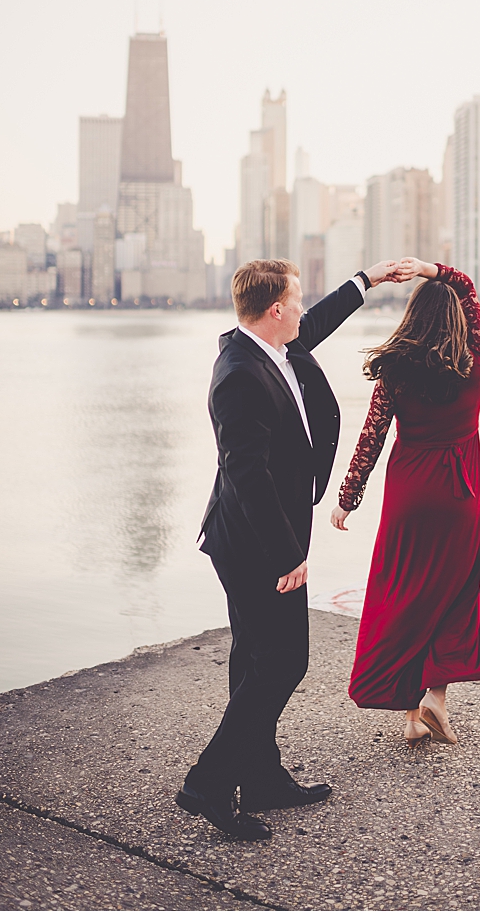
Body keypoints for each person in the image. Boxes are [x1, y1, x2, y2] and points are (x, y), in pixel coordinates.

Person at [178, 257, 405, 841]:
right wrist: (287, 556)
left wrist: (369, 280)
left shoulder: (274, 349)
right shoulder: (238, 374)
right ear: (275, 310)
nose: (303, 311)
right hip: (255, 542)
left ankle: (259, 778)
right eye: (296, 302)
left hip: (271, 531)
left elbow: (320, 319)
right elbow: (245, 473)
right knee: (283, 661)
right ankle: (208, 782)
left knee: (257, 658)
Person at [330, 257, 480, 745]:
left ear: (411, 319)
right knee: (452, 593)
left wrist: (348, 497)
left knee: (403, 596)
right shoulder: (476, 360)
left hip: (409, 492)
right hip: (460, 492)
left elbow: (371, 436)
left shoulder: (395, 370)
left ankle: (410, 715)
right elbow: (466, 287)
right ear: (458, 321)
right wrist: (430, 268)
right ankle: (435, 700)